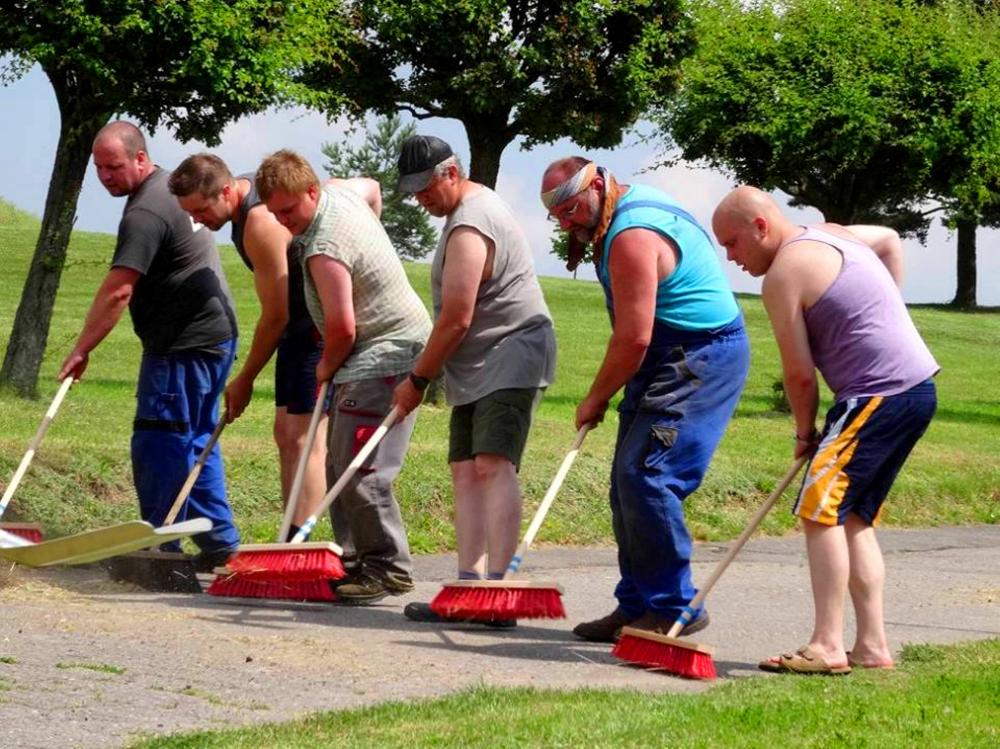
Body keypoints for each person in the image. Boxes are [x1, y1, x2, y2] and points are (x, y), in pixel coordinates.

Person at [712, 186, 938, 674]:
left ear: (760, 227)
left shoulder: (783, 275)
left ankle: (827, 645)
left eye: (732, 243)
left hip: (876, 394)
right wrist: (884, 312)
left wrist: (802, 432)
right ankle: (873, 646)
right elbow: (890, 240)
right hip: (915, 391)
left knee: (820, 510)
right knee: (850, 518)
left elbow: (798, 373)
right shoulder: (835, 235)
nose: (730, 257)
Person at [540, 157, 750, 642]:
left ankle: (675, 607)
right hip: (664, 352)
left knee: (650, 476)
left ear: (597, 183)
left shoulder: (632, 234)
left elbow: (632, 338)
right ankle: (636, 605)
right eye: (558, 217)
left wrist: (595, 397)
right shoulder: (618, 212)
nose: (567, 222)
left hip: (699, 355)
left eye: (571, 209)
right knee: (625, 482)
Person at [168, 155, 379, 539]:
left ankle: (299, 544)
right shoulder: (244, 205)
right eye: (190, 214)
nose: (198, 221)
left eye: (201, 209)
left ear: (227, 190)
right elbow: (371, 189)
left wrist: (245, 377)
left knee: (305, 437)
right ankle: (290, 534)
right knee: (286, 434)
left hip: (314, 327)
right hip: (296, 328)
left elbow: (275, 315)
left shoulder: (260, 223)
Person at [58, 121, 240, 568]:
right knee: (195, 440)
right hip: (214, 337)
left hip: (185, 344)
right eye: (98, 168)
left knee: (159, 440)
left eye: (113, 166)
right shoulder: (167, 189)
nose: (105, 177)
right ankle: (220, 544)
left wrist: (82, 348)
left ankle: (162, 549)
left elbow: (119, 291)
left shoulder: (146, 212)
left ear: (141, 158)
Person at [391, 136, 557, 625]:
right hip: (477, 361)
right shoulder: (460, 215)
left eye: (425, 186)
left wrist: (417, 379)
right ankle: (468, 586)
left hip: (511, 351)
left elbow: (458, 318)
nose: (420, 198)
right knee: (465, 470)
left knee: (491, 463)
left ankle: (499, 593)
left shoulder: (471, 221)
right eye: (413, 190)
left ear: (451, 172)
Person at [255, 149, 431, 604]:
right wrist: (373, 232)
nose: (283, 222)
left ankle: (388, 567)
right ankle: (352, 559)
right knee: (336, 462)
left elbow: (342, 327)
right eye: (274, 213)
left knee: (359, 466)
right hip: (375, 350)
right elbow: (371, 185)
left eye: (289, 210)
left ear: (311, 190)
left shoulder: (324, 247)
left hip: (385, 354)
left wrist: (326, 366)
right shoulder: (341, 193)